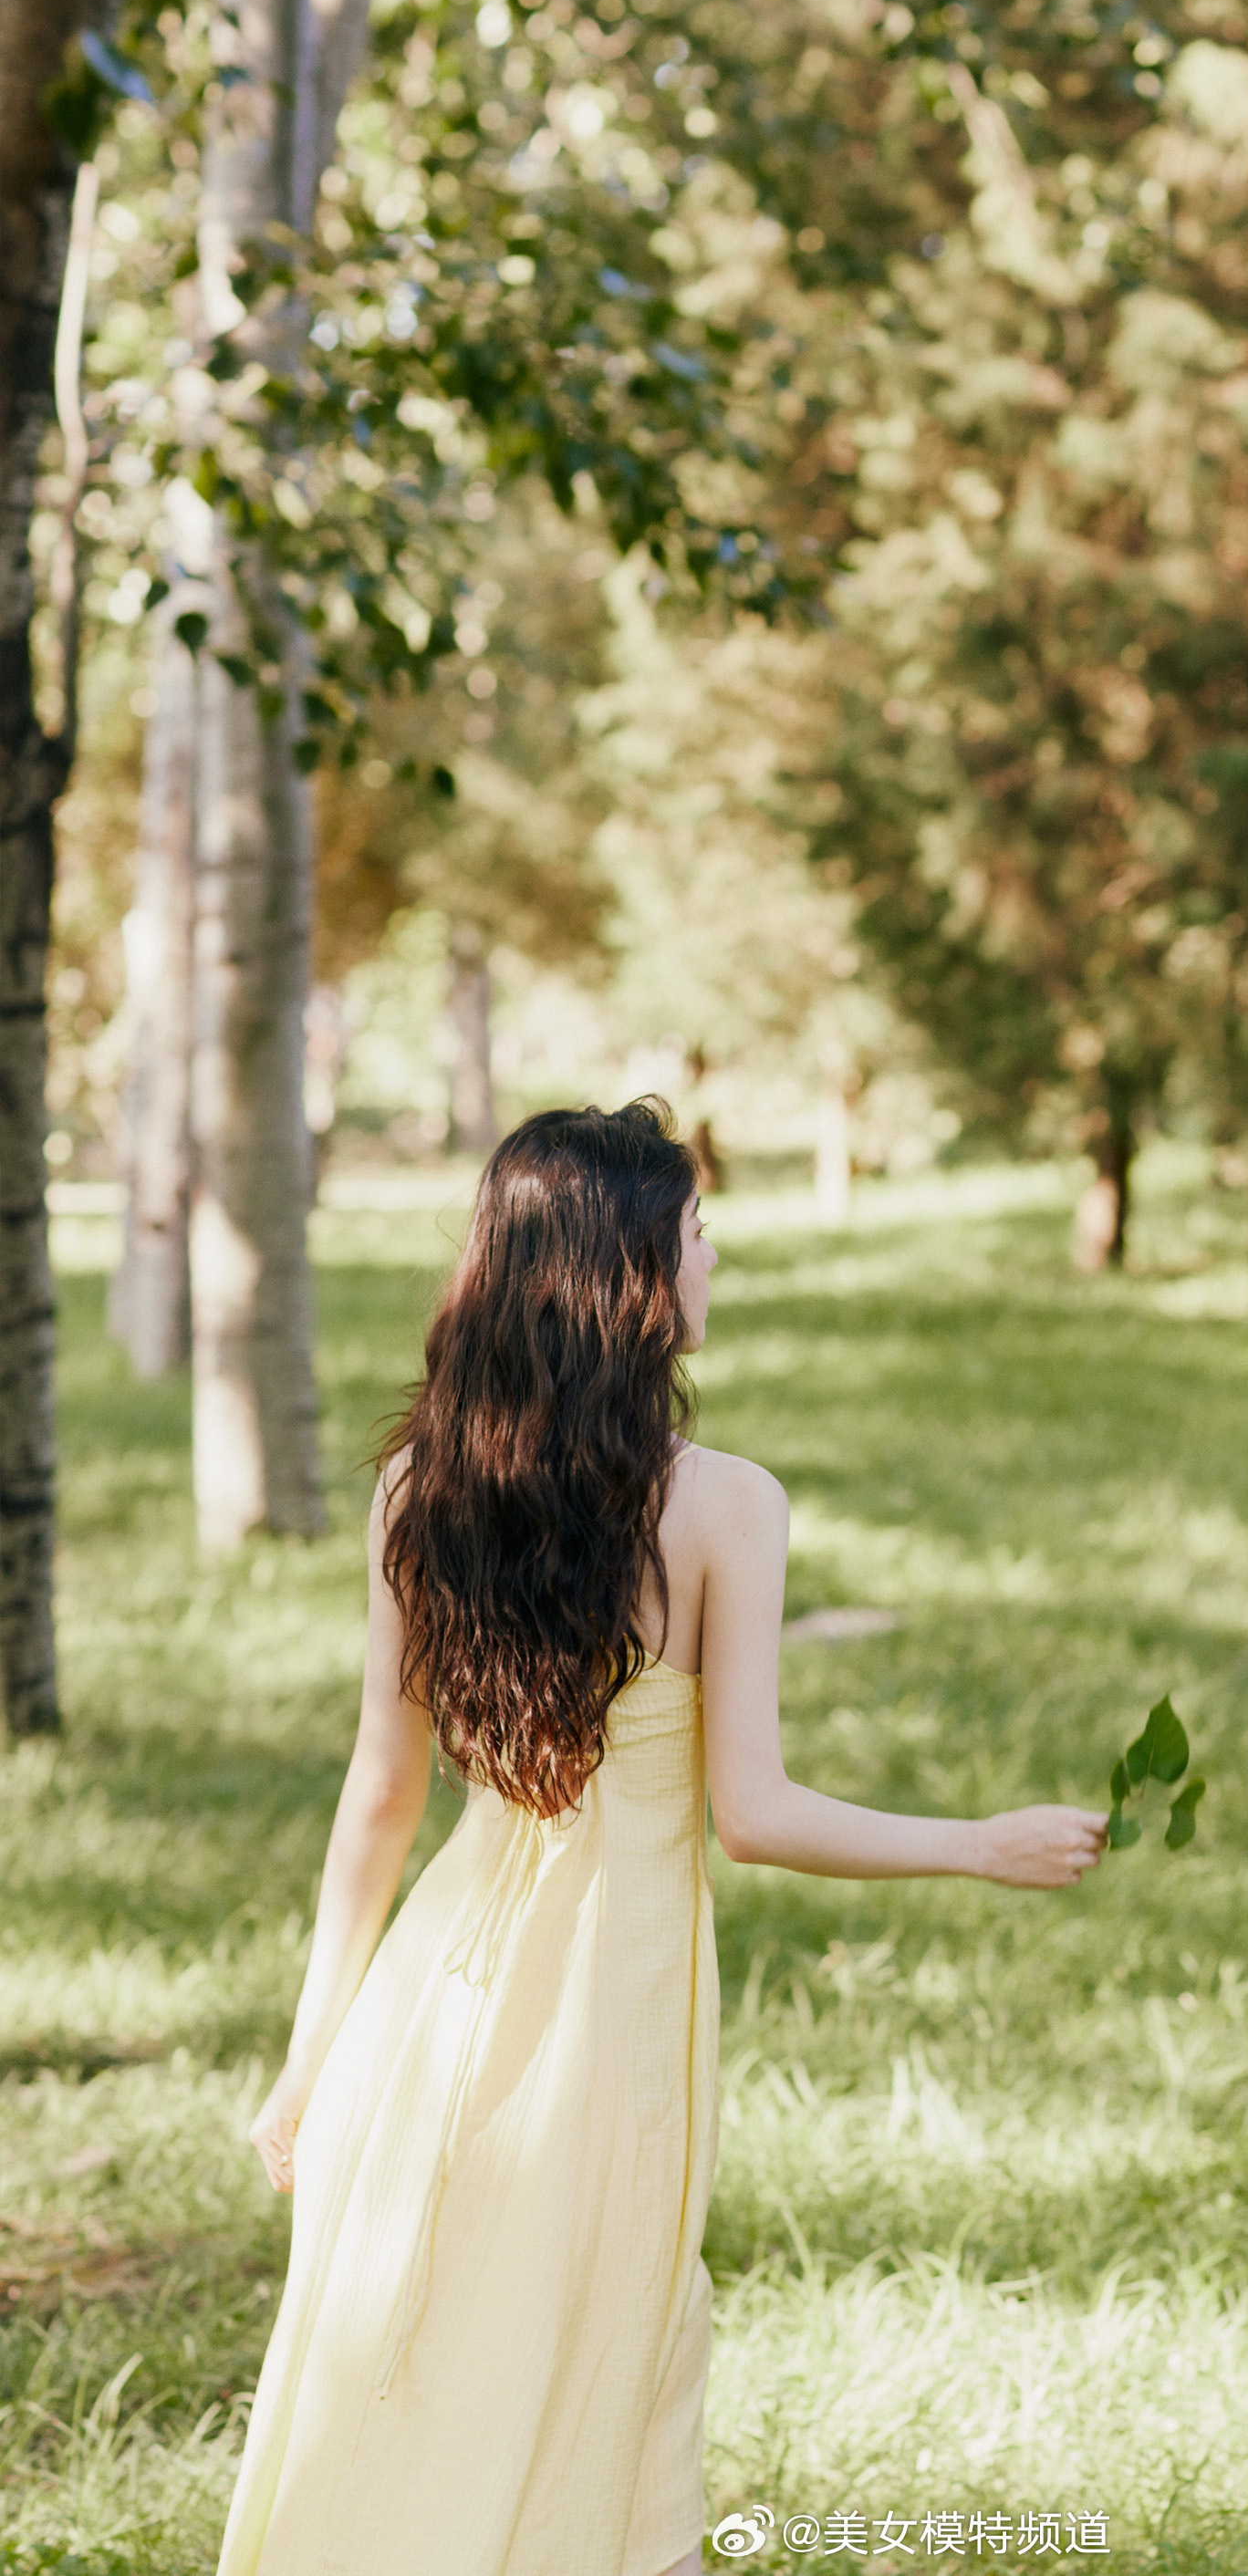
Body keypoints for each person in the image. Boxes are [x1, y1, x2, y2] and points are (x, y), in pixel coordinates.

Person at [217, 1100, 1107, 2576]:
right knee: (613, 2378)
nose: (715, 1255)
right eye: (696, 1230)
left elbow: (381, 1794)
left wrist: (315, 2060)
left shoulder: (418, 1487)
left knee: (430, 2387)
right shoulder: (726, 1508)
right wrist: (980, 1842)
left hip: (428, 2004)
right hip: (604, 2010)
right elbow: (752, 1814)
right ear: (631, 1273)